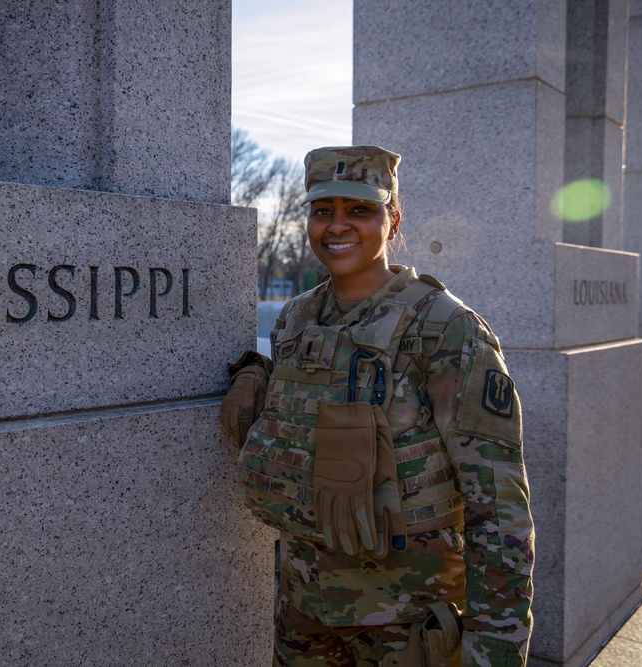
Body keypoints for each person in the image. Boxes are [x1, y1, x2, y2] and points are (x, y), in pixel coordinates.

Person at [221, 145, 534, 667]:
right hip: (303, 611)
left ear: (393, 219)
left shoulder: (444, 327)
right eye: (323, 212)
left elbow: (499, 506)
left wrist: (495, 651)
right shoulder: (297, 318)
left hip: (403, 622)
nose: (336, 227)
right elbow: (301, 428)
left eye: (359, 210)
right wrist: (255, 375)